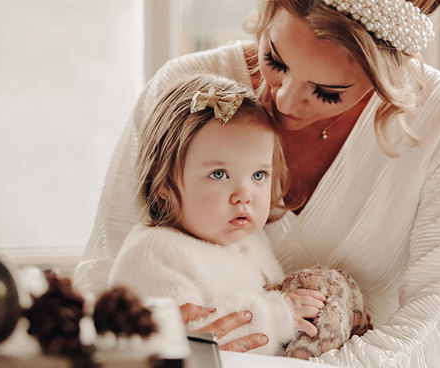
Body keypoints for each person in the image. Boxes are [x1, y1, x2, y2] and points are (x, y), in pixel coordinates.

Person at [75, 0, 440, 366]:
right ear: (268, 13)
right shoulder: (183, 89)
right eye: (274, 60)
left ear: (389, 78)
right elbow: (104, 273)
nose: (280, 101)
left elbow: (434, 331)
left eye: (327, 92)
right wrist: (149, 336)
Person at [107, 73, 326, 355]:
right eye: (219, 174)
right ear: (162, 184)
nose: (244, 194)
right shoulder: (155, 251)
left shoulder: (248, 238)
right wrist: (282, 314)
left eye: (258, 174)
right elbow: (199, 337)